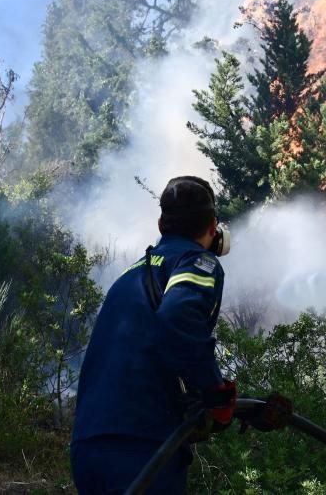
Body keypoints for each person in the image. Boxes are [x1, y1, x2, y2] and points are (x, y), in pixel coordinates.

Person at [71, 176, 236, 494]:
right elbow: (179, 317)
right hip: (144, 445)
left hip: (89, 444)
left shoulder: (131, 274)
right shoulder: (195, 261)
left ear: (161, 223)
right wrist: (215, 391)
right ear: (213, 227)